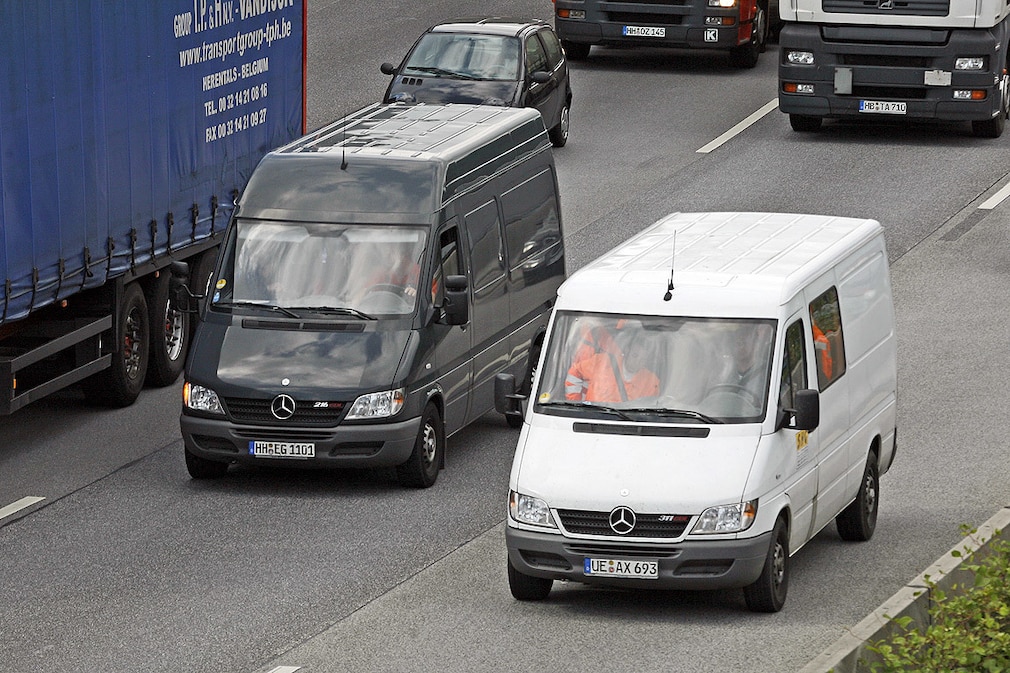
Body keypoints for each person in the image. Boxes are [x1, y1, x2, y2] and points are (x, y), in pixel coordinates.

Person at [565, 327, 659, 403]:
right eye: (635, 355)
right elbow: (575, 373)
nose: (637, 362)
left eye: (643, 359)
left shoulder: (651, 383)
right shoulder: (602, 362)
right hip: (591, 419)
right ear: (627, 351)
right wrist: (576, 403)